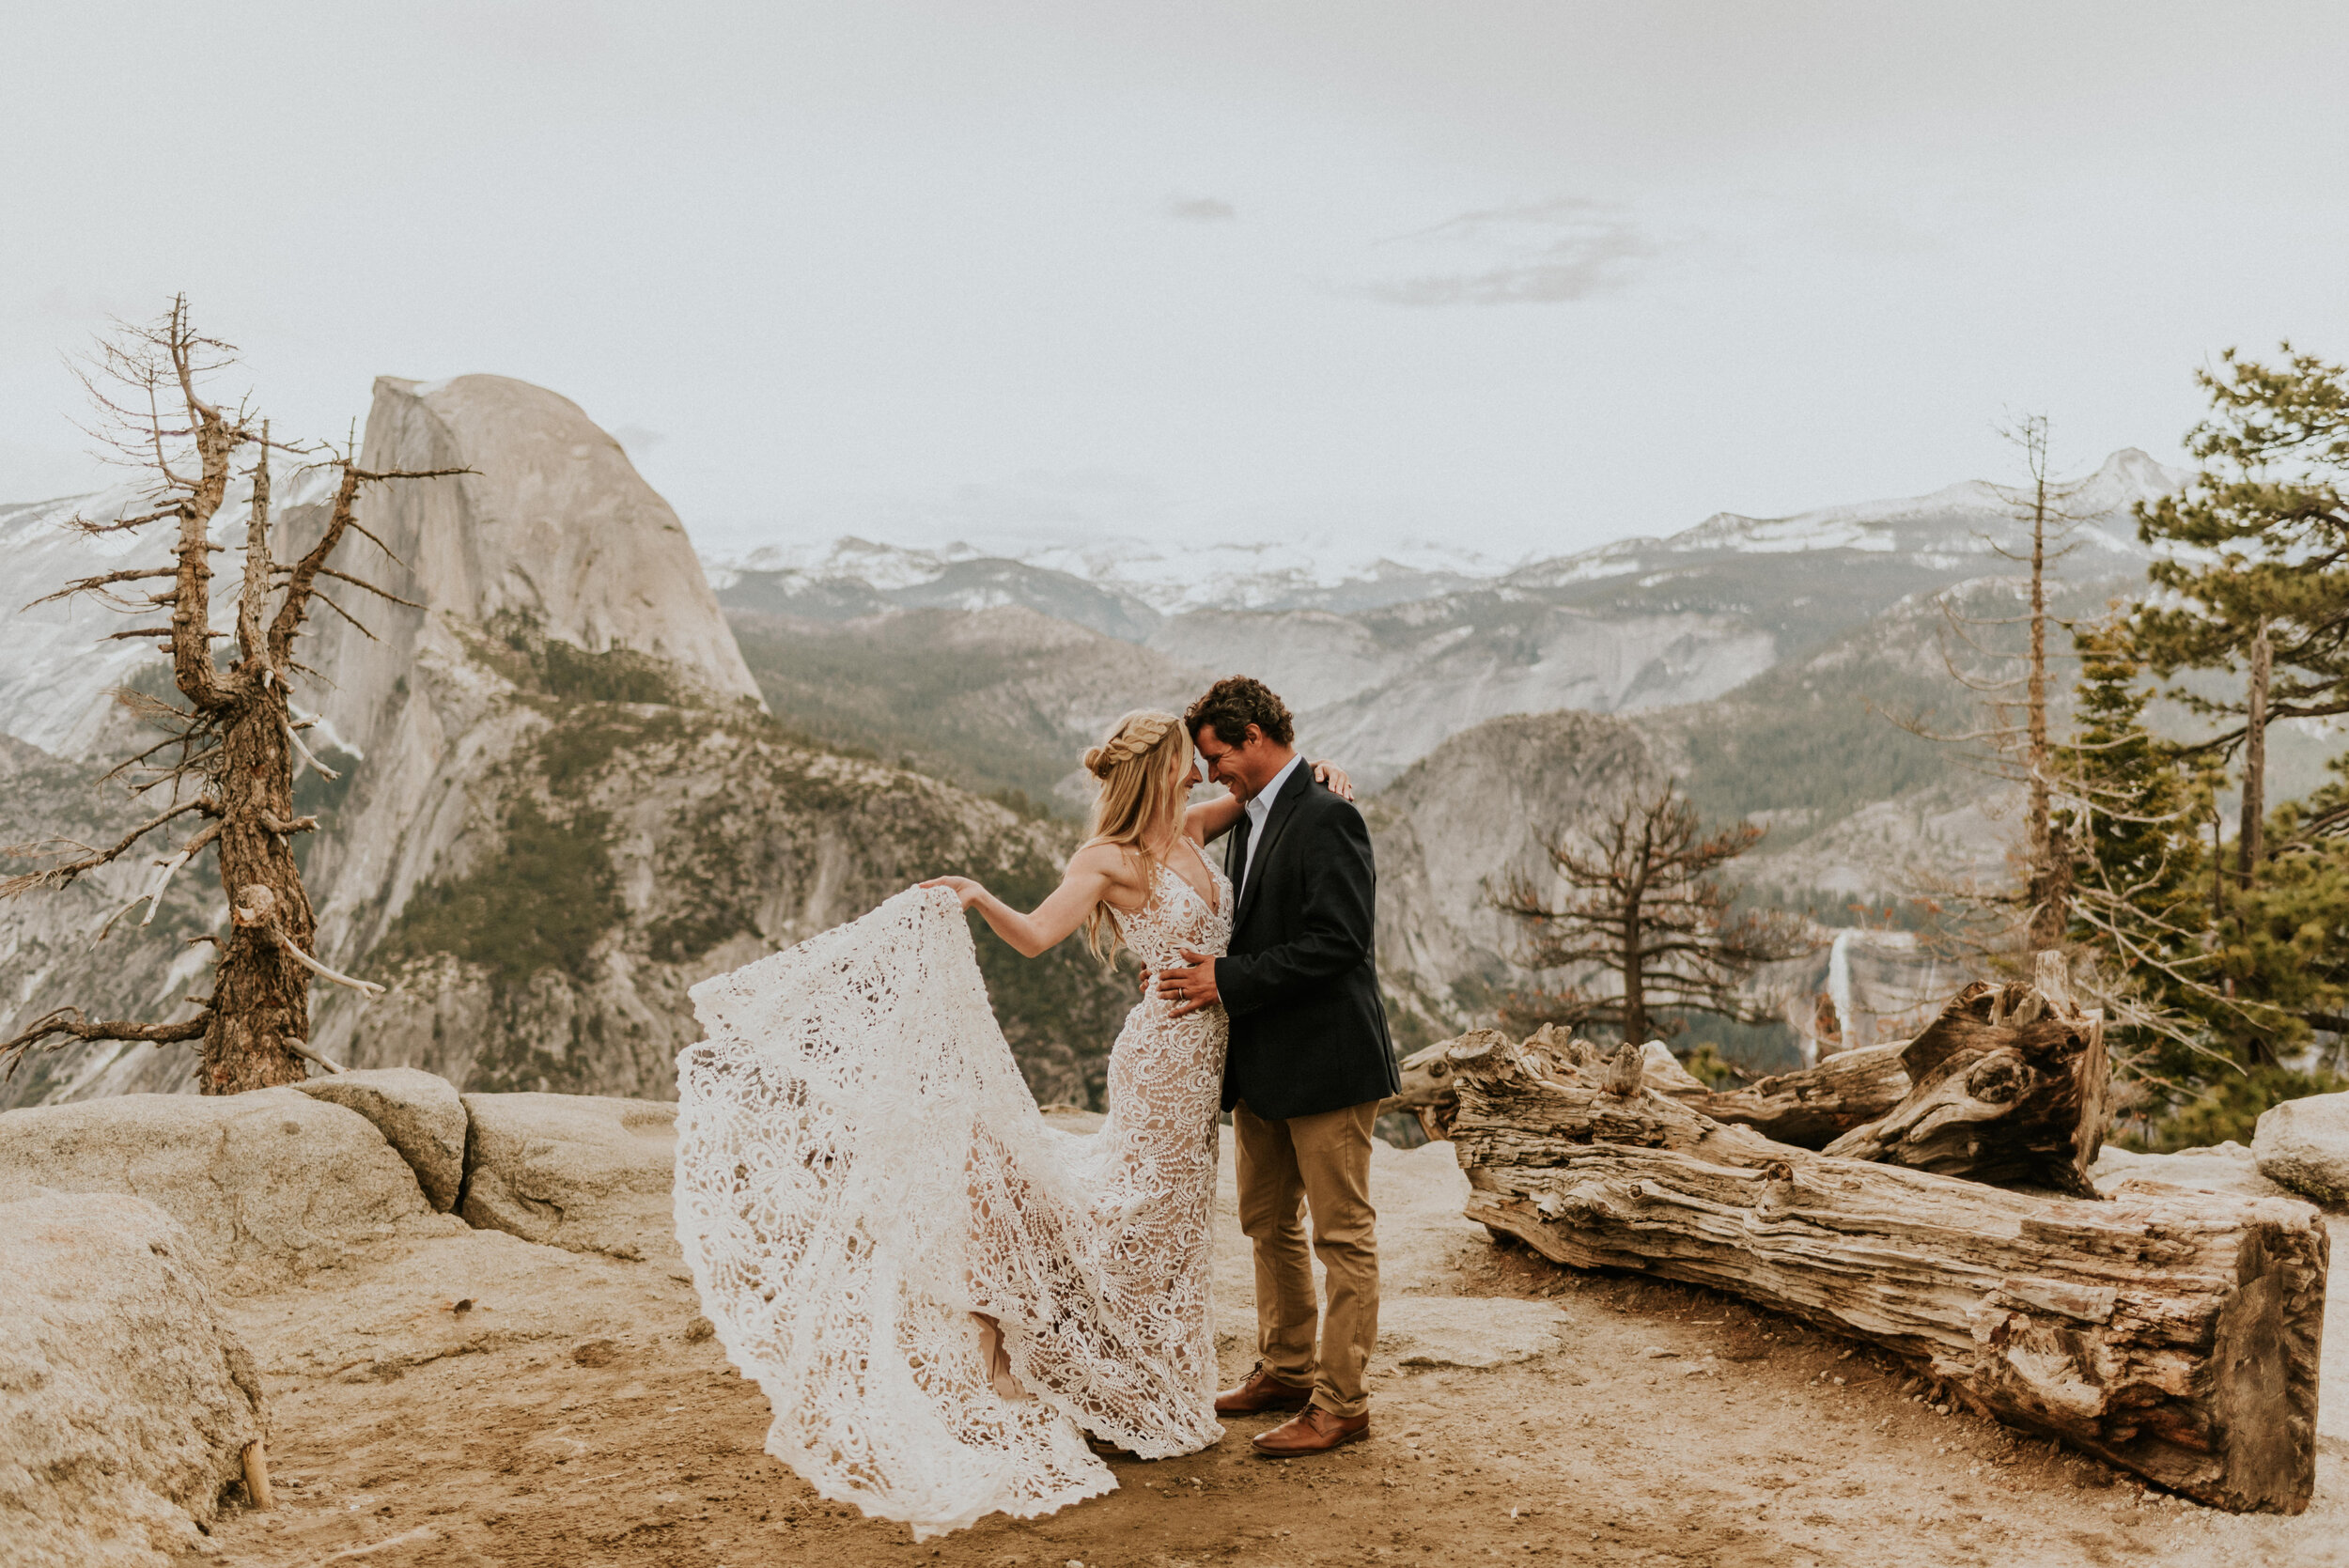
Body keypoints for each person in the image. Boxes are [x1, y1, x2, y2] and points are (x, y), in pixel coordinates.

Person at [671, 709, 1348, 1538]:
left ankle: (1141, 1385)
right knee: (1131, 1215)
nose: (1207, 771)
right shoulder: (1108, 859)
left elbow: (1274, 793)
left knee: (1167, 1231)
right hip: (1161, 1058)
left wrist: (1325, 773)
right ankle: (1067, 1357)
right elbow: (1034, 938)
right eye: (1191, 759)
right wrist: (979, 895)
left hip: (1208, 1062)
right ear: (1164, 766)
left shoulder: (1198, 826)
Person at [1154, 675, 1398, 1456]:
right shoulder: (1249, 818)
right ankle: (1287, 1368)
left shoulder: (1329, 815)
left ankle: (1342, 1401)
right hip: (1264, 1066)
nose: (1213, 769)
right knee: (1267, 1223)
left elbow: (1340, 942)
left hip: (1327, 1064)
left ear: (1255, 735)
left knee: (1342, 1236)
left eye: (1218, 755)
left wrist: (1225, 979)